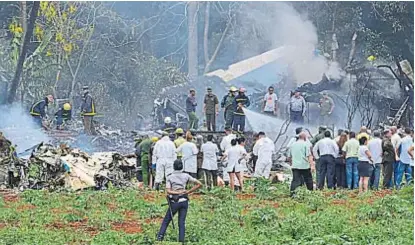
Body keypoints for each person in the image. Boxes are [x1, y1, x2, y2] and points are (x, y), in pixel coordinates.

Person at [157, 159, 202, 243]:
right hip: (184, 201)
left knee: (166, 220)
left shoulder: (170, 177)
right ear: (182, 167)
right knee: (181, 222)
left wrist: (177, 192)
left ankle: (159, 238)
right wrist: (188, 192)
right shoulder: (186, 176)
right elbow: (199, 184)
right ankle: (181, 241)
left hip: (175, 201)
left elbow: (168, 191)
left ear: (173, 167)